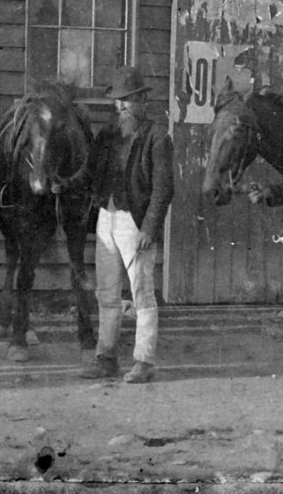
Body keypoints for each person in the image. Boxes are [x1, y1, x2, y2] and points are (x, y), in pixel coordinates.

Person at [81, 70, 173, 384]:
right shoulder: (108, 135)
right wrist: (66, 183)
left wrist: (149, 227)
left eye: (128, 100)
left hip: (135, 222)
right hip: (106, 217)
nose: (121, 106)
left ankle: (144, 362)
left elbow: (163, 189)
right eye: (118, 100)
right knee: (106, 292)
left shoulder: (157, 137)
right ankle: (105, 358)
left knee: (142, 293)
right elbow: (89, 173)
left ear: (143, 100)